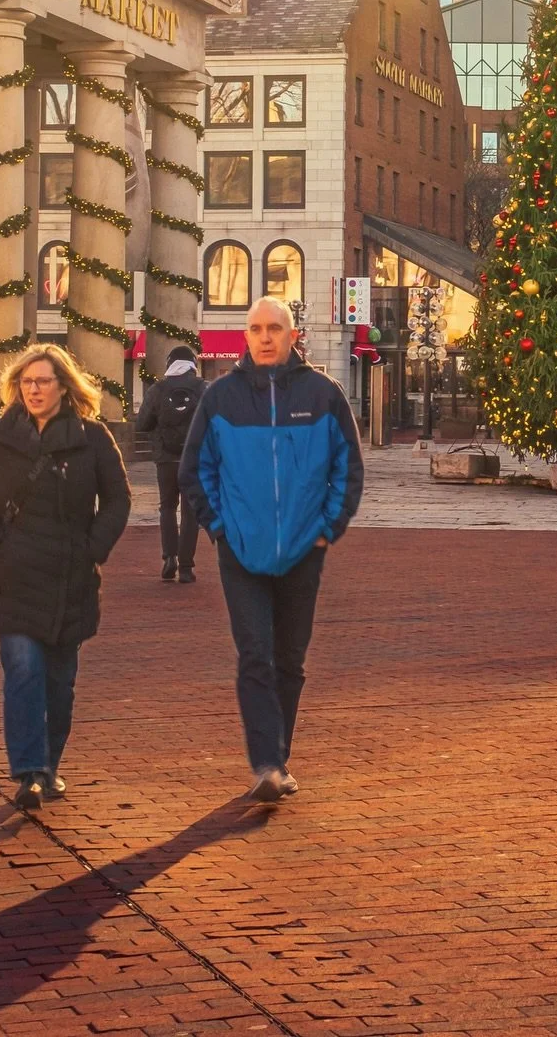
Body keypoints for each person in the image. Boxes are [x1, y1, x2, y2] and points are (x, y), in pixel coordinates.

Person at [182, 296, 364, 804]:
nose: (265, 337)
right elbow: (195, 470)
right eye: (256, 328)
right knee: (255, 655)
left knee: (290, 659)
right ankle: (267, 763)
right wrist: (219, 526)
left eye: (274, 328)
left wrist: (329, 528)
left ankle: (279, 756)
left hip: (305, 550)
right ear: (245, 336)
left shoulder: (323, 395)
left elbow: (347, 469)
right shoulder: (220, 398)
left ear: (291, 335)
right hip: (240, 552)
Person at [0, 343, 131, 812]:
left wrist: (93, 550)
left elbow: (118, 500)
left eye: (43, 381)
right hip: (12, 576)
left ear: (64, 387)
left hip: (69, 577)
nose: (34, 390)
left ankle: (50, 765)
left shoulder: (92, 438)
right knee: (22, 671)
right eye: (26, 382)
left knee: (60, 681)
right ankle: (28, 772)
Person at [135, 344, 205, 582]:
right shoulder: (203, 388)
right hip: (195, 459)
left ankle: (169, 558)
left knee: (167, 507)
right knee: (190, 511)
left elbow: (141, 424)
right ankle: (186, 567)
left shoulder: (158, 389)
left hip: (166, 458)